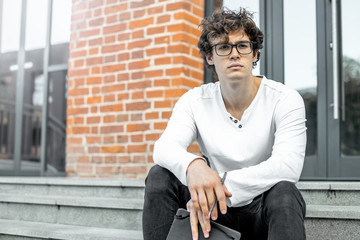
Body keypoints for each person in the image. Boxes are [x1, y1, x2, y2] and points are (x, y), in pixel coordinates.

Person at [142, 7, 307, 240]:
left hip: (261, 209)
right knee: (159, 176)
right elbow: (163, 148)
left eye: (242, 45)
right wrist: (194, 166)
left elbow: (287, 166)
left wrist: (219, 186)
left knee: (285, 192)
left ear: (255, 53)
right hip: (214, 215)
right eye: (223, 47)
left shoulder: (285, 99)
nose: (234, 54)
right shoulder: (194, 100)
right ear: (210, 57)